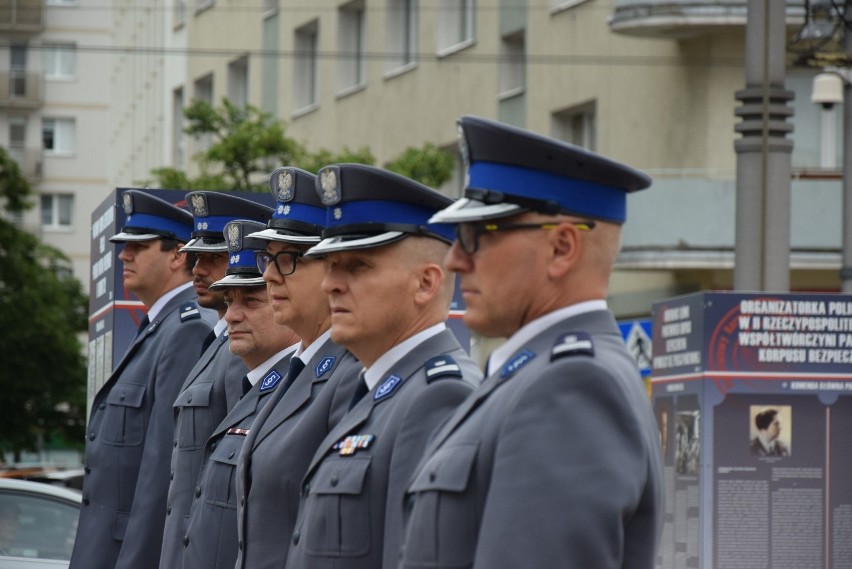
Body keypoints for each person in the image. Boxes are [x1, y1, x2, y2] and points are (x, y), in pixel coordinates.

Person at [397, 115, 664, 569]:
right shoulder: (533, 376)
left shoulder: (571, 388)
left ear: (562, 248)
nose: (455, 260)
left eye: (476, 236)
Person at [283, 164, 481, 569]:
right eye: (331, 265)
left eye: (356, 266)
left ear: (426, 284)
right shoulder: (374, 387)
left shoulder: (439, 395)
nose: (330, 284)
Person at [71, 190, 216, 569]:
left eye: (139, 246)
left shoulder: (185, 331)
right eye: (124, 246)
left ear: (178, 255)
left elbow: (161, 474)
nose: (124, 255)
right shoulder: (158, 327)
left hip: (128, 555)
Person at [233, 167, 363, 569]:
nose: (269, 274)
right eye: (268, 258)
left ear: (332, 269)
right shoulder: (299, 369)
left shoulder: (351, 374)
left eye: (288, 259)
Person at [160, 192, 273, 569]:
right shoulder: (220, 341)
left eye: (213, 257)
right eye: (196, 257)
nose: (197, 270)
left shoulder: (247, 350)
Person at [180, 219, 300, 569]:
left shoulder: (295, 393)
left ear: (281, 301)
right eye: (230, 300)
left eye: (251, 300)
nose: (231, 315)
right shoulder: (256, 391)